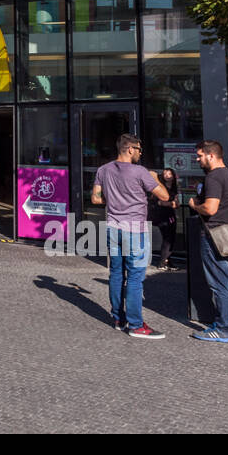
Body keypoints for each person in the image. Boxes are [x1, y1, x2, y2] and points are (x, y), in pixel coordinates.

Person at [91, 134, 171, 339]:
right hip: (134, 229)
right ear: (129, 149)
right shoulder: (140, 172)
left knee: (116, 273)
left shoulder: (103, 170)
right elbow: (164, 196)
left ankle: (119, 318)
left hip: (113, 228)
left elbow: (95, 198)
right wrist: (154, 178)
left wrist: (116, 198)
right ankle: (136, 325)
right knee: (135, 277)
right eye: (139, 150)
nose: (140, 153)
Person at [192, 139, 228, 343]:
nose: (198, 159)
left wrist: (194, 205)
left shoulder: (213, 177)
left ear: (211, 155)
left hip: (214, 234)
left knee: (219, 284)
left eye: (200, 156)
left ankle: (223, 329)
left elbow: (210, 208)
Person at [150, 167, 180, 269]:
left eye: (169, 174)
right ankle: (162, 262)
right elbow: (158, 202)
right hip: (162, 215)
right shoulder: (160, 187)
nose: (167, 176)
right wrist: (169, 203)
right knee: (167, 238)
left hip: (171, 215)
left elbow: (176, 202)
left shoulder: (174, 187)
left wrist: (174, 204)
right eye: (165, 174)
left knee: (171, 238)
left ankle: (168, 261)